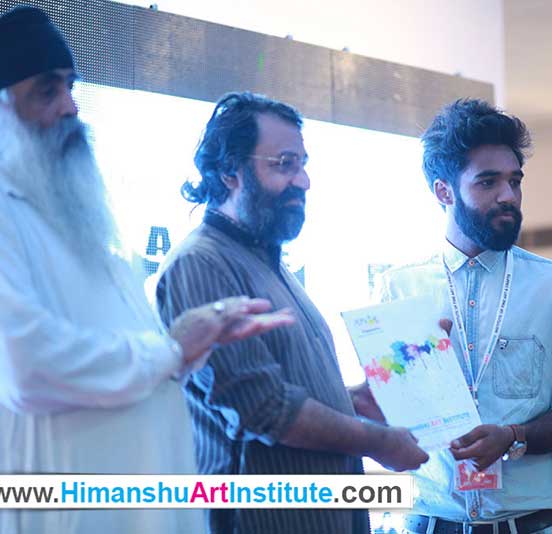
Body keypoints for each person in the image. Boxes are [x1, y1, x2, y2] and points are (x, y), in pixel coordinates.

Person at [0, 8, 294, 534]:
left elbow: (130, 366)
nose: (70, 107)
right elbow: (26, 366)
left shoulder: (74, 216)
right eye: (46, 91)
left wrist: (189, 348)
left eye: (70, 87)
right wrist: (171, 350)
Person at [154, 91, 429, 534]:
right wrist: (379, 442)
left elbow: (280, 384)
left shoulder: (268, 260)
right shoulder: (201, 262)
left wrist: (352, 399)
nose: (303, 181)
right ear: (229, 171)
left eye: (302, 164)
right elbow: (263, 408)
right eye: (284, 164)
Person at [375, 98, 552, 534]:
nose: (508, 196)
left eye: (515, 181)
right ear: (444, 191)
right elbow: (389, 415)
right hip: (430, 520)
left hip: (529, 525)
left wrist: (513, 437)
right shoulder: (399, 288)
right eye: (488, 182)